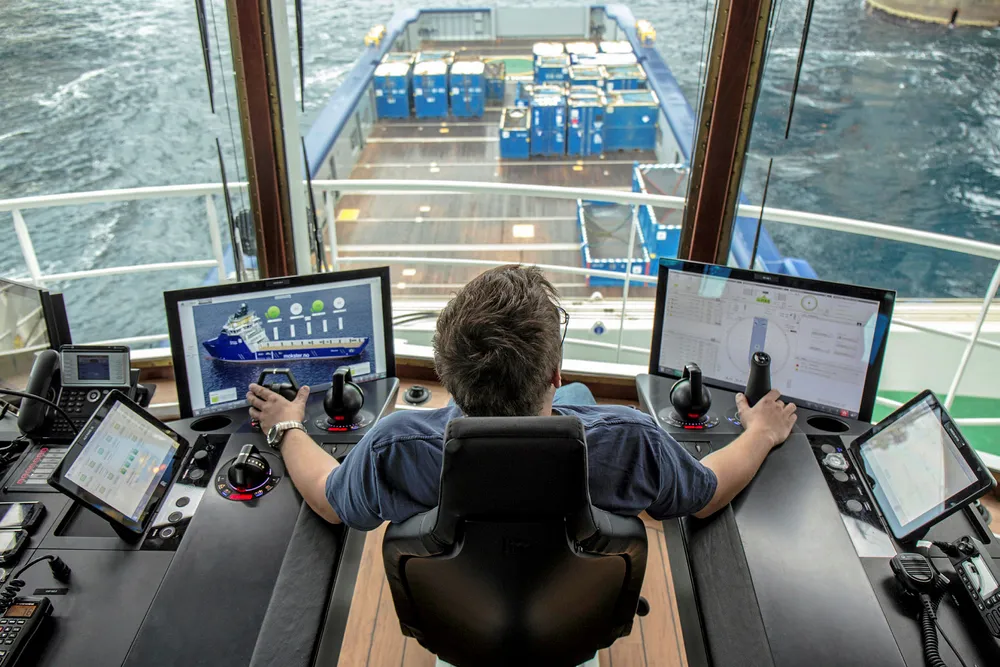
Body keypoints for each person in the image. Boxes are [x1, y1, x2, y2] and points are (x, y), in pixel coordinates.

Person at [246, 265, 797, 529]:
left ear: (445, 374)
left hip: (458, 612)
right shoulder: (630, 438)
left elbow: (328, 499)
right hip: (575, 606)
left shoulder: (395, 445)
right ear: (553, 372)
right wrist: (761, 432)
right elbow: (707, 493)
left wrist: (287, 425)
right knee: (583, 398)